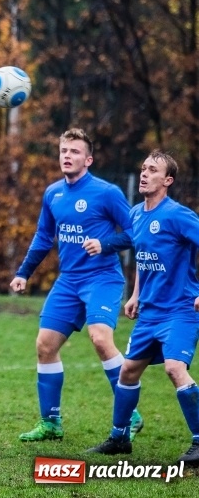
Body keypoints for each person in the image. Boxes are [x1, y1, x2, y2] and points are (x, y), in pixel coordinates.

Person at [9, 128, 143, 443]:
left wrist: (105, 244)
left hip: (103, 278)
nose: (67, 156)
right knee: (44, 346)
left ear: (88, 159)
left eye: (74, 152)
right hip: (69, 281)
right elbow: (44, 238)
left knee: (100, 338)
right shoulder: (53, 193)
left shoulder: (107, 192)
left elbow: (136, 232)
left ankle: (131, 414)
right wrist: (24, 273)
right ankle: (51, 423)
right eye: (64, 151)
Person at [88, 151, 199, 465]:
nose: (145, 173)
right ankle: (120, 438)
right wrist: (135, 294)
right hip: (150, 312)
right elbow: (140, 255)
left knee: (175, 369)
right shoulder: (137, 214)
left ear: (168, 180)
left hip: (180, 310)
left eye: (153, 170)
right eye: (143, 168)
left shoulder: (178, 215)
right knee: (128, 371)